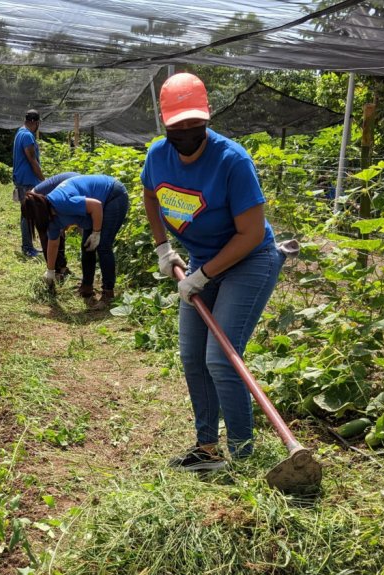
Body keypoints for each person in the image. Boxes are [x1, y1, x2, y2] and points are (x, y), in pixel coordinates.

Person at [142, 72, 289, 471]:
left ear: (207, 117)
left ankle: (242, 455)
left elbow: (251, 233)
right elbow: (150, 193)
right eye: (179, 125)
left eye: (195, 123)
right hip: (200, 261)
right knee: (193, 357)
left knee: (222, 358)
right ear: (165, 122)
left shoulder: (232, 160)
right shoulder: (157, 156)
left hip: (249, 260)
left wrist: (202, 276)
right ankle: (207, 450)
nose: (188, 131)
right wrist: (163, 248)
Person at [24, 174, 130, 303]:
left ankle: (108, 292)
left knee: (103, 246)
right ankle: (87, 287)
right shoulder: (51, 221)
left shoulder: (61, 202)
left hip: (112, 195)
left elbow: (96, 205)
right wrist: (50, 271)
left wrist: (96, 233)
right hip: (95, 209)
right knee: (87, 246)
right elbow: (53, 244)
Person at [25, 172, 80, 280]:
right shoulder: (36, 202)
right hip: (38, 205)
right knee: (49, 236)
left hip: (52, 202)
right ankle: (54, 271)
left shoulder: (77, 187)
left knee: (59, 235)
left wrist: (66, 224)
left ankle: (61, 268)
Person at [13, 109, 45, 258]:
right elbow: (32, 160)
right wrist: (44, 180)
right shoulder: (26, 136)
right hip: (27, 181)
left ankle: (28, 245)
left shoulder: (21, 132)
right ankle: (27, 248)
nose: (38, 126)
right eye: (38, 123)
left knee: (26, 214)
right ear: (34, 122)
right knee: (28, 214)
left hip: (23, 179)